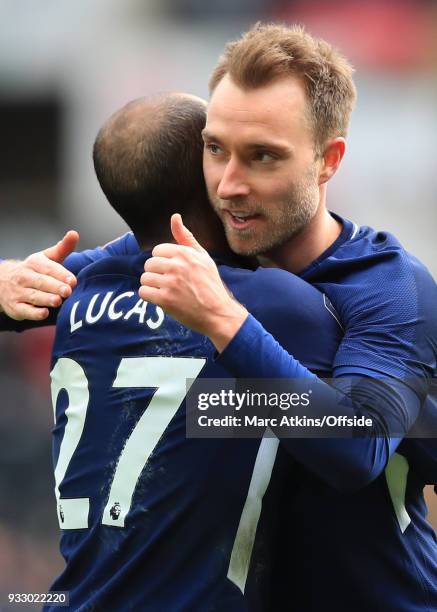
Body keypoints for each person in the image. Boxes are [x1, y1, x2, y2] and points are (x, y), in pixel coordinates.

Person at [0, 22, 436, 611]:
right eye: (215, 149)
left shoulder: (388, 287)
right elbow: (66, 281)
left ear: (327, 160)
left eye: (262, 157)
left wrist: (224, 336)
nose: (228, 185)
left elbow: (357, 446)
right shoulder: (164, 259)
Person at [15, 93, 343, 610]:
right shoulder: (273, 303)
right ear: (208, 184)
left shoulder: (77, 292)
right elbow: (369, 424)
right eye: (218, 150)